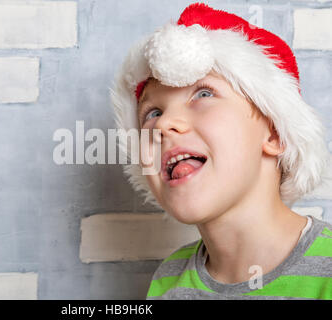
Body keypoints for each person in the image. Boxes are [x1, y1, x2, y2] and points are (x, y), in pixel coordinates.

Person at [109, 2, 331, 299]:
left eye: (203, 93)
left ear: (276, 133)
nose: (163, 125)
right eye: (152, 113)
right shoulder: (168, 279)